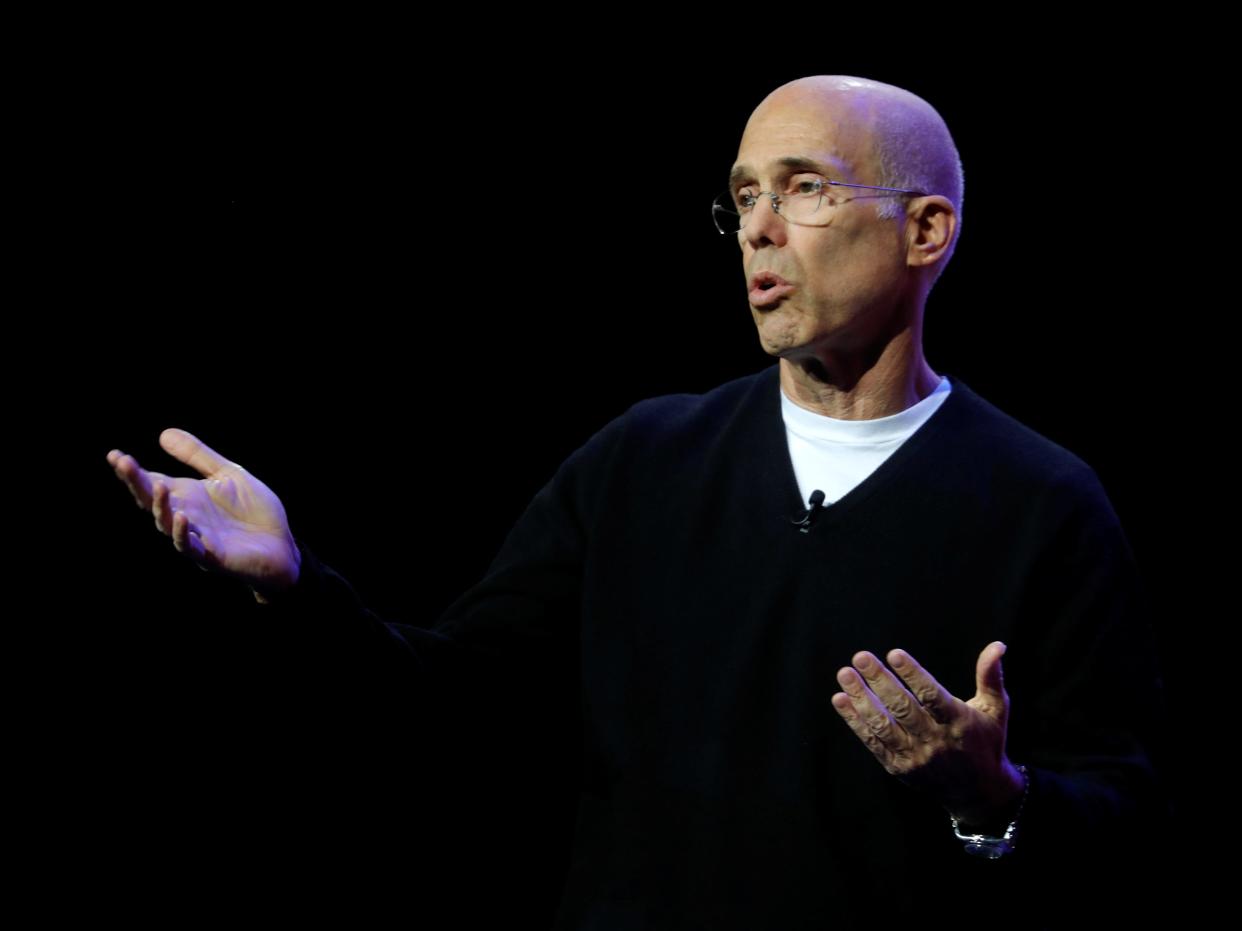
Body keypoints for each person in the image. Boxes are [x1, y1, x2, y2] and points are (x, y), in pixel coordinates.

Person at [106, 76, 1166, 927]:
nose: (758, 228)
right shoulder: (645, 460)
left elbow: (1120, 811)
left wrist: (994, 799)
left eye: (803, 187)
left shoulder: (1041, 502)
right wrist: (298, 589)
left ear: (925, 231)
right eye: (743, 195)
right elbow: (457, 707)